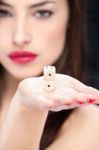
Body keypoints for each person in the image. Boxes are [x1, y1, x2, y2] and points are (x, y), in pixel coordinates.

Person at [0, 0, 99, 150]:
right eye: (3, 13)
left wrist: (27, 108)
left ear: (70, 17)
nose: (19, 37)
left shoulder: (91, 126)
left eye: (42, 13)